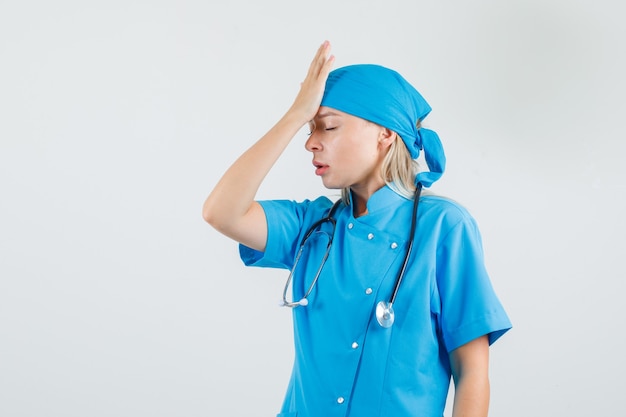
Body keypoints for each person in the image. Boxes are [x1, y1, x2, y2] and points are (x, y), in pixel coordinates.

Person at [202, 41, 511, 417]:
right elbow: (221, 212)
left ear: (385, 134)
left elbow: (472, 371)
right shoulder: (310, 228)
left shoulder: (444, 229)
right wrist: (294, 115)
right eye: (310, 128)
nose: (311, 142)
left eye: (328, 126)